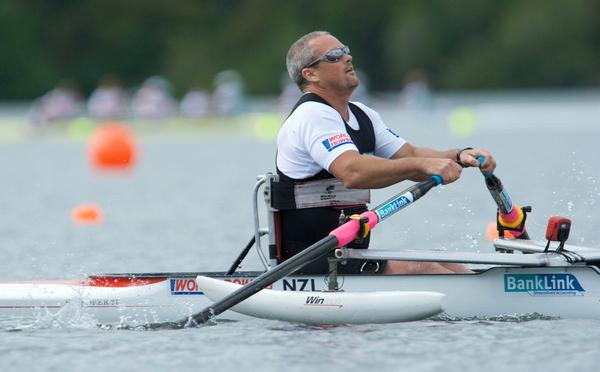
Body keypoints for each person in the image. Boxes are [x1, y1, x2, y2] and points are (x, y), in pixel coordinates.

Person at [274, 31, 496, 275]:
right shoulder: (312, 115)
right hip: (308, 261)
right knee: (424, 268)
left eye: (345, 50)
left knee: (443, 261)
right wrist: (422, 166)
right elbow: (353, 172)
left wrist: (458, 156)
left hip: (347, 253)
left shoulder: (362, 114)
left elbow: (410, 153)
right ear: (310, 73)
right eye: (334, 56)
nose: (347, 57)